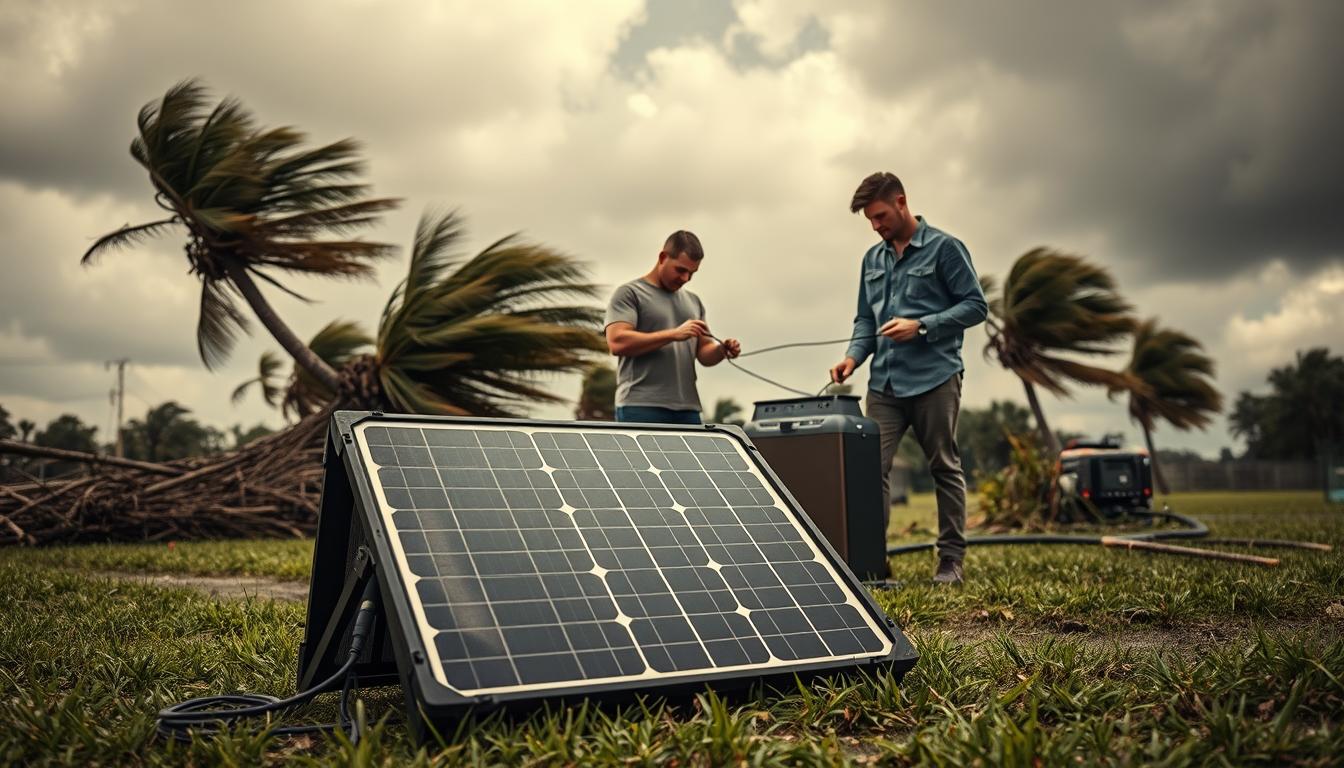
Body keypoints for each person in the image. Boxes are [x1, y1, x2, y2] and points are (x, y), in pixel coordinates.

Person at [829, 172, 987, 585]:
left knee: (943, 466)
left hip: (936, 378)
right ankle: (871, 563)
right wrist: (852, 357)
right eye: (870, 220)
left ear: (901, 202)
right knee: (867, 471)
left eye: (880, 216)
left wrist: (922, 325)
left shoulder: (945, 248)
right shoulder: (871, 259)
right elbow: (866, 319)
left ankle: (951, 562)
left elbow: (975, 306)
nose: (876, 226)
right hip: (883, 384)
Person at [604, 230, 741, 424]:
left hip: (688, 409)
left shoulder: (694, 301)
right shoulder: (630, 293)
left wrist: (722, 350)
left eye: (692, 273)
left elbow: (704, 352)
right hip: (641, 406)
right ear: (662, 257)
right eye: (680, 270)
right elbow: (617, 342)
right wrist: (673, 334)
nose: (685, 278)